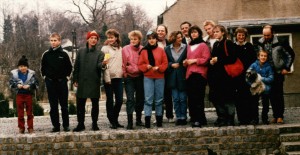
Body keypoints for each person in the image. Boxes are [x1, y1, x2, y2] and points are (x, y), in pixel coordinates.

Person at [257, 25, 295, 124]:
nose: (266, 37)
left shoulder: (281, 41)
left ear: (272, 33)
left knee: (278, 94)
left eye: (268, 35)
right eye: (264, 35)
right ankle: (275, 115)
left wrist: (286, 67)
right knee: (271, 95)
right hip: (266, 72)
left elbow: (290, 55)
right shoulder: (260, 42)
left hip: (278, 72)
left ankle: (280, 116)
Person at [72, 30, 104, 132]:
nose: (93, 40)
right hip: (82, 81)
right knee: (80, 104)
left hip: (94, 80)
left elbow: (100, 66)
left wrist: (103, 64)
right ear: (88, 39)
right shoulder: (80, 51)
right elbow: (76, 66)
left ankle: (94, 123)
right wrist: (75, 79)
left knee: (95, 104)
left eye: (95, 38)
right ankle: (80, 124)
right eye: (92, 38)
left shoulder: (100, 53)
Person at [41, 32, 72, 132]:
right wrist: (45, 78)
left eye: (55, 40)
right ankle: (56, 126)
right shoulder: (46, 54)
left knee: (64, 106)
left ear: (59, 41)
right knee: (53, 106)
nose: (53, 42)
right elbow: (42, 68)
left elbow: (70, 67)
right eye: (52, 40)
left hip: (62, 83)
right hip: (50, 83)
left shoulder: (64, 53)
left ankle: (66, 125)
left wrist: (67, 78)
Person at [208, 25, 238, 127]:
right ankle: (222, 117)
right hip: (217, 76)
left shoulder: (228, 43)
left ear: (223, 32)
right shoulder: (216, 44)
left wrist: (219, 59)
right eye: (214, 32)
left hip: (226, 76)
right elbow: (213, 57)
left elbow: (232, 58)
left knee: (228, 98)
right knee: (218, 98)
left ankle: (230, 119)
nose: (215, 33)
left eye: (217, 32)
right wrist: (211, 61)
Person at [138, 31, 168, 128]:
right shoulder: (143, 51)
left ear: (156, 39)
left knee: (159, 100)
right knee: (148, 100)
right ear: (148, 40)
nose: (151, 40)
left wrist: (159, 68)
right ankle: (147, 121)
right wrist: (146, 66)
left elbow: (165, 63)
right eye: (149, 38)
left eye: (153, 38)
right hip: (148, 77)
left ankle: (159, 120)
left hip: (159, 77)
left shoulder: (161, 50)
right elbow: (140, 64)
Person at [183, 25, 211, 128]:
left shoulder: (203, 45)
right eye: (192, 33)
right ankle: (195, 118)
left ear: (199, 33)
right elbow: (188, 58)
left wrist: (194, 61)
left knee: (198, 97)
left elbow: (206, 59)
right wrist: (186, 62)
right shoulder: (189, 45)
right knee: (191, 98)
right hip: (190, 74)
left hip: (199, 74)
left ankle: (199, 119)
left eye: (195, 32)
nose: (193, 34)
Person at [233, 27, 257, 125]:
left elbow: (254, 60)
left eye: (243, 35)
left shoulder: (250, 46)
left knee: (251, 97)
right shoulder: (233, 47)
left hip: (249, 75)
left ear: (245, 36)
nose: (241, 37)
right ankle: (242, 119)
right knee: (239, 98)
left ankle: (253, 118)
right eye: (239, 35)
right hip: (238, 76)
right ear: (236, 36)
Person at [9, 56, 38, 134]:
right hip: (19, 95)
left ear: (27, 67)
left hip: (28, 95)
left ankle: (30, 127)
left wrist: (29, 86)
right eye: (21, 66)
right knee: (20, 112)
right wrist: (17, 85)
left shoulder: (32, 74)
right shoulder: (15, 75)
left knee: (29, 112)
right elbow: (11, 83)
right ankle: (21, 127)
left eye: (25, 66)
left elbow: (36, 84)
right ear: (18, 67)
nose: (23, 68)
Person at [101, 29, 124, 129]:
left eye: (112, 37)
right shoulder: (105, 49)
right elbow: (105, 64)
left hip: (118, 78)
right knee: (110, 100)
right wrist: (107, 78)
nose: (110, 39)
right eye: (108, 37)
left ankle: (115, 118)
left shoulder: (121, 49)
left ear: (116, 38)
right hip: (109, 78)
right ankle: (112, 121)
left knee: (119, 100)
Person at [122, 30, 144, 129]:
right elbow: (123, 63)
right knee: (130, 99)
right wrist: (125, 74)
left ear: (139, 40)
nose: (133, 41)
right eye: (131, 39)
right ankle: (130, 122)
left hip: (140, 77)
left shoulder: (143, 49)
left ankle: (138, 120)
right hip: (129, 77)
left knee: (140, 99)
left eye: (135, 39)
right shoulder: (125, 49)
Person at [165, 31, 187, 126]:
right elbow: (165, 62)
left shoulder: (186, 47)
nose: (180, 39)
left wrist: (184, 63)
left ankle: (184, 117)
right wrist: (171, 65)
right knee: (176, 99)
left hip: (182, 76)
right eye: (178, 37)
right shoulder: (167, 49)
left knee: (182, 98)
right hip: (172, 77)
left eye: (181, 37)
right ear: (173, 39)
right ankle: (178, 117)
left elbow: (188, 59)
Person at [247, 50, 274, 124]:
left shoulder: (268, 66)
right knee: (254, 104)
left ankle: (265, 118)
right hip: (255, 88)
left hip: (265, 88)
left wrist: (261, 78)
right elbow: (247, 76)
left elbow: (271, 78)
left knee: (265, 104)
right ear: (258, 57)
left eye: (265, 56)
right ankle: (255, 119)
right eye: (261, 55)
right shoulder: (253, 65)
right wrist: (251, 84)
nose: (263, 57)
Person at [156, 24, 174, 123]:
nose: (160, 32)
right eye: (159, 30)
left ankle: (169, 115)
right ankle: (158, 116)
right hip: (157, 72)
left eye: (162, 31)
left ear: (166, 32)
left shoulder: (169, 43)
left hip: (168, 71)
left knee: (168, 94)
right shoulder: (152, 43)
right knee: (158, 95)